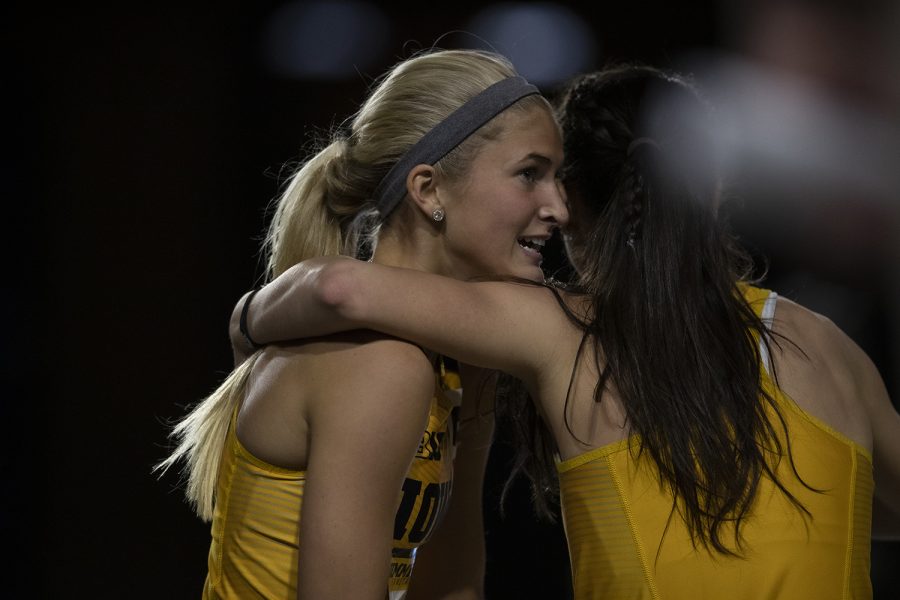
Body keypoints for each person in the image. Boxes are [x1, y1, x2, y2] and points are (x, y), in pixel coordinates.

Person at [233, 64, 900, 599]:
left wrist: (244, 326)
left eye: (551, 180)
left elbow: (337, 287)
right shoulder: (834, 351)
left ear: (572, 204)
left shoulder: (559, 329)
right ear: (717, 191)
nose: (546, 206)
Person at [155, 48, 568, 600]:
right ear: (429, 191)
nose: (558, 208)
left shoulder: (456, 360)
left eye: (557, 178)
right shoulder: (377, 360)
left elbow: (450, 580)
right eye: (529, 174)